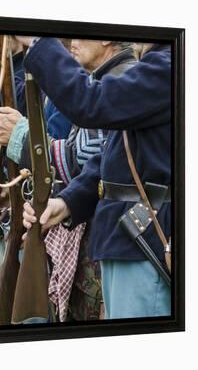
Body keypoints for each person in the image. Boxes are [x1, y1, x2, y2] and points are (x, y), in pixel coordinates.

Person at [18, 36, 171, 319]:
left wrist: (39, 41)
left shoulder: (170, 66)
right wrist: (67, 202)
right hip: (130, 237)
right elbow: (114, 156)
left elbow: (90, 102)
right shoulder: (157, 64)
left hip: (144, 240)